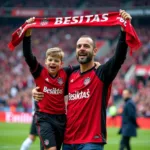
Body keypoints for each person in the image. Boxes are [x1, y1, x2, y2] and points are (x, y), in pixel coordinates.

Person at [32, 10, 132, 150]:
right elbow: (53, 87)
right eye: (79, 46)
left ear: (95, 51)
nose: (82, 49)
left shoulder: (101, 73)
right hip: (68, 141)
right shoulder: (70, 76)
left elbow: (119, 58)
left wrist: (123, 29)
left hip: (91, 141)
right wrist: (36, 90)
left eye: (86, 46)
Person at [22, 17, 82, 150]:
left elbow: (81, 66)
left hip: (61, 119)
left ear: (61, 63)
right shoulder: (39, 72)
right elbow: (27, 54)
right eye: (50, 60)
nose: (53, 63)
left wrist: (94, 64)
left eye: (56, 60)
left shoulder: (65, 72)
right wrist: (28, 33)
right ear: (46, 61)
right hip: (44, 117)